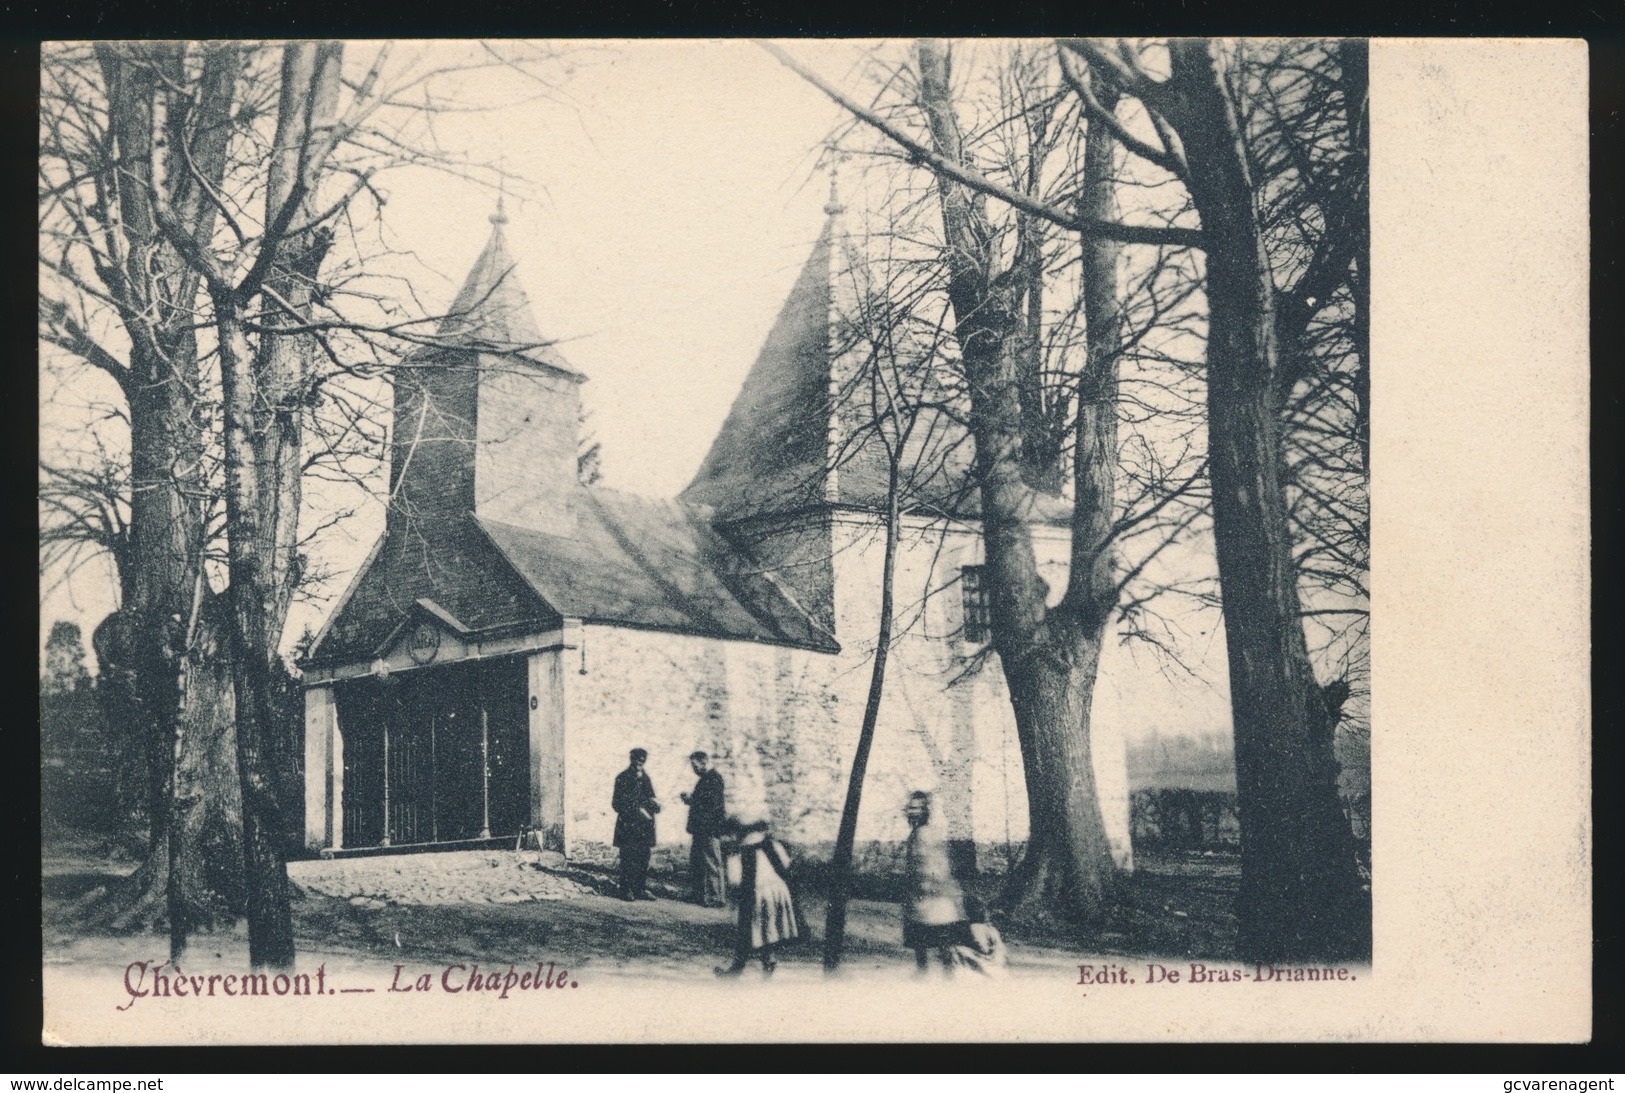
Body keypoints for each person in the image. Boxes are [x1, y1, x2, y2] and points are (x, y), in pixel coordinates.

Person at [715, 817, 802, 977]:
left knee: (749, 930)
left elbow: (735, 880)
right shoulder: (772, 844)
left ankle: (737, 969)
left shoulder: (737, 853)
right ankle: (768, 960)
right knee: (767, 929)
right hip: (777, 891)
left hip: (757, 894)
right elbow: (786, 864)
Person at [902, 790, 969, 974]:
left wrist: (935, 885)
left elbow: (937, 864)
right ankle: (923, 978)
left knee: (943, 944)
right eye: (911, 808)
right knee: (921, 945)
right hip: (919, 897)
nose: (914, 812)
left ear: (925, 811)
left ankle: (947, 983)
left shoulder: (926, 834)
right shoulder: (914, 835)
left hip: (935, 896)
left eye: (918, 808)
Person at [679, 750, 727, 907]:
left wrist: (691, 800)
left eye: (695, 765)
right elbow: (704, 801)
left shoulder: (713, 779)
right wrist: (692, 800)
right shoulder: (706, 779)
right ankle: (699, 894)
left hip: (708, 828)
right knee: (698, 861)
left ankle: (716, 897)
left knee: (711, 863)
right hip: (700, 828)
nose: (693, 769)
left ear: (704, 762)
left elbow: (711, 805)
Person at [611, 748, 661, 901]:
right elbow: (616, 803)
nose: (640, 763)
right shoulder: (622, 778)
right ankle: (625, 889)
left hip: (644, 826)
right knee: (628, 858)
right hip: (628, 826)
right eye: (637, 760)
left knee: (643, 857)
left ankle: (640, 889)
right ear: (631, 760)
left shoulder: (646, 778)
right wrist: (634, 810)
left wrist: (655, 805)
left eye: (642, 761)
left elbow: (651, 797)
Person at [947, 896, 1009, 978]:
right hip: (993, 969)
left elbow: (986, 949)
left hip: (982, 969)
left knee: (954, 950)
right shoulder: (990, 929)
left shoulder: (975, 928)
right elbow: (999, 952)